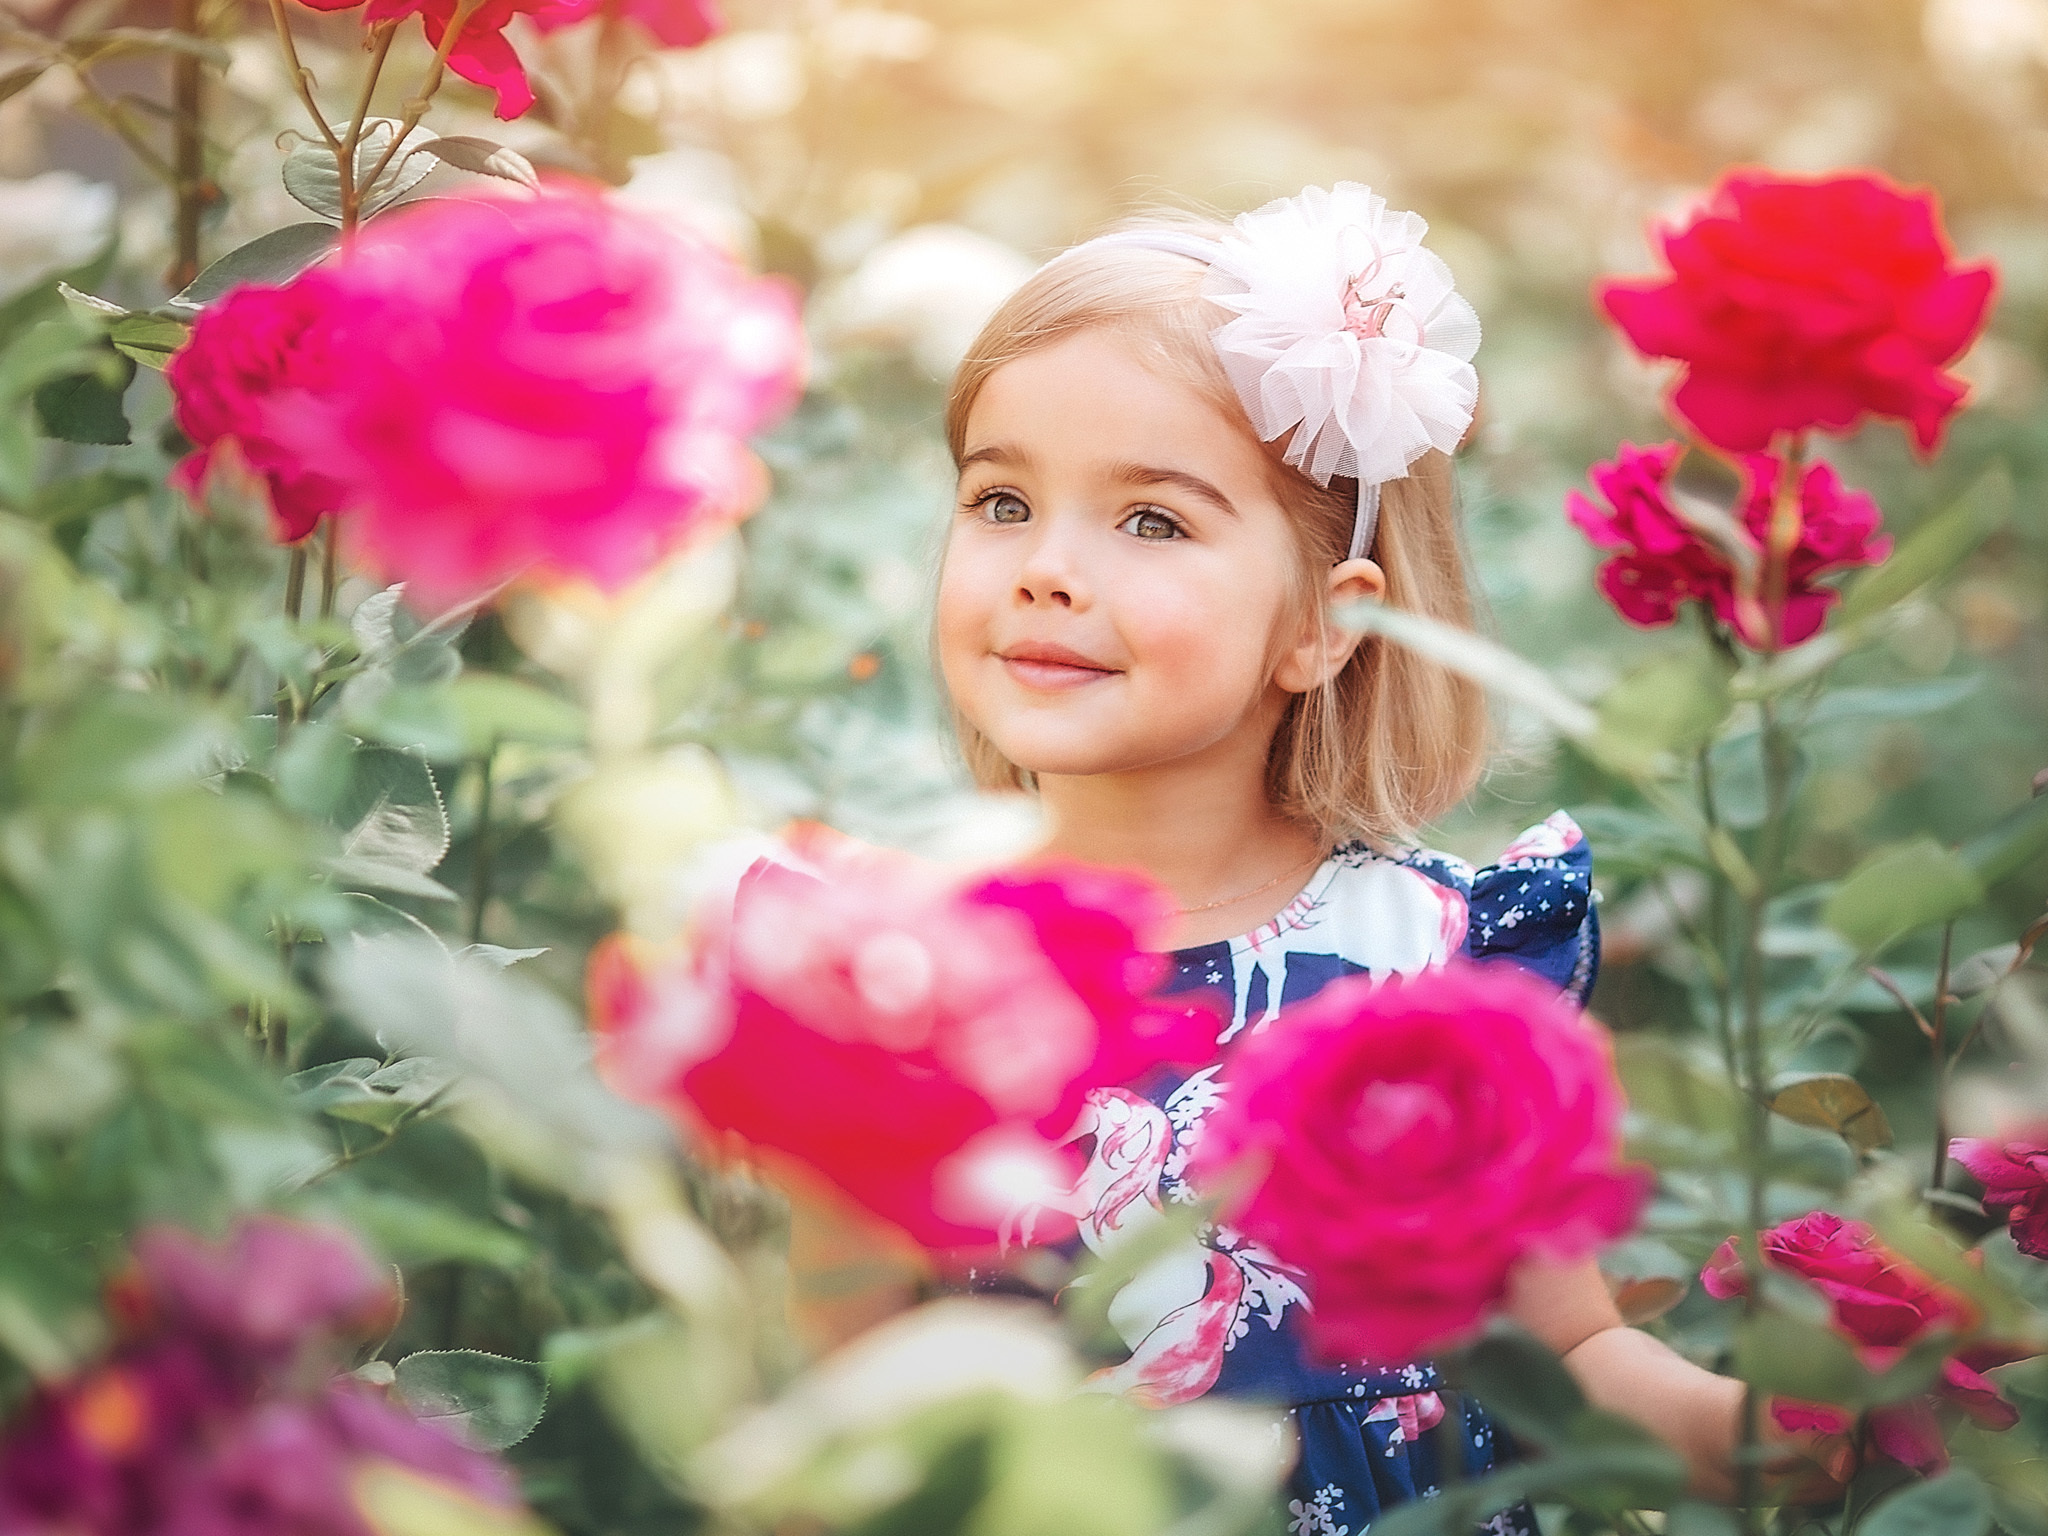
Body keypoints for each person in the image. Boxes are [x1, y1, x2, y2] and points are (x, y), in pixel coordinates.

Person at [930, 184, 1764, 1532]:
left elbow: (1575, 1360)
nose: (1046, 569)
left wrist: (1808, 1428)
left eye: (1151, 521)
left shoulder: (1445, 970)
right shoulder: (906, 970)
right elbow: (831, 1408)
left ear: (1322, 623)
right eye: (1002, 500)